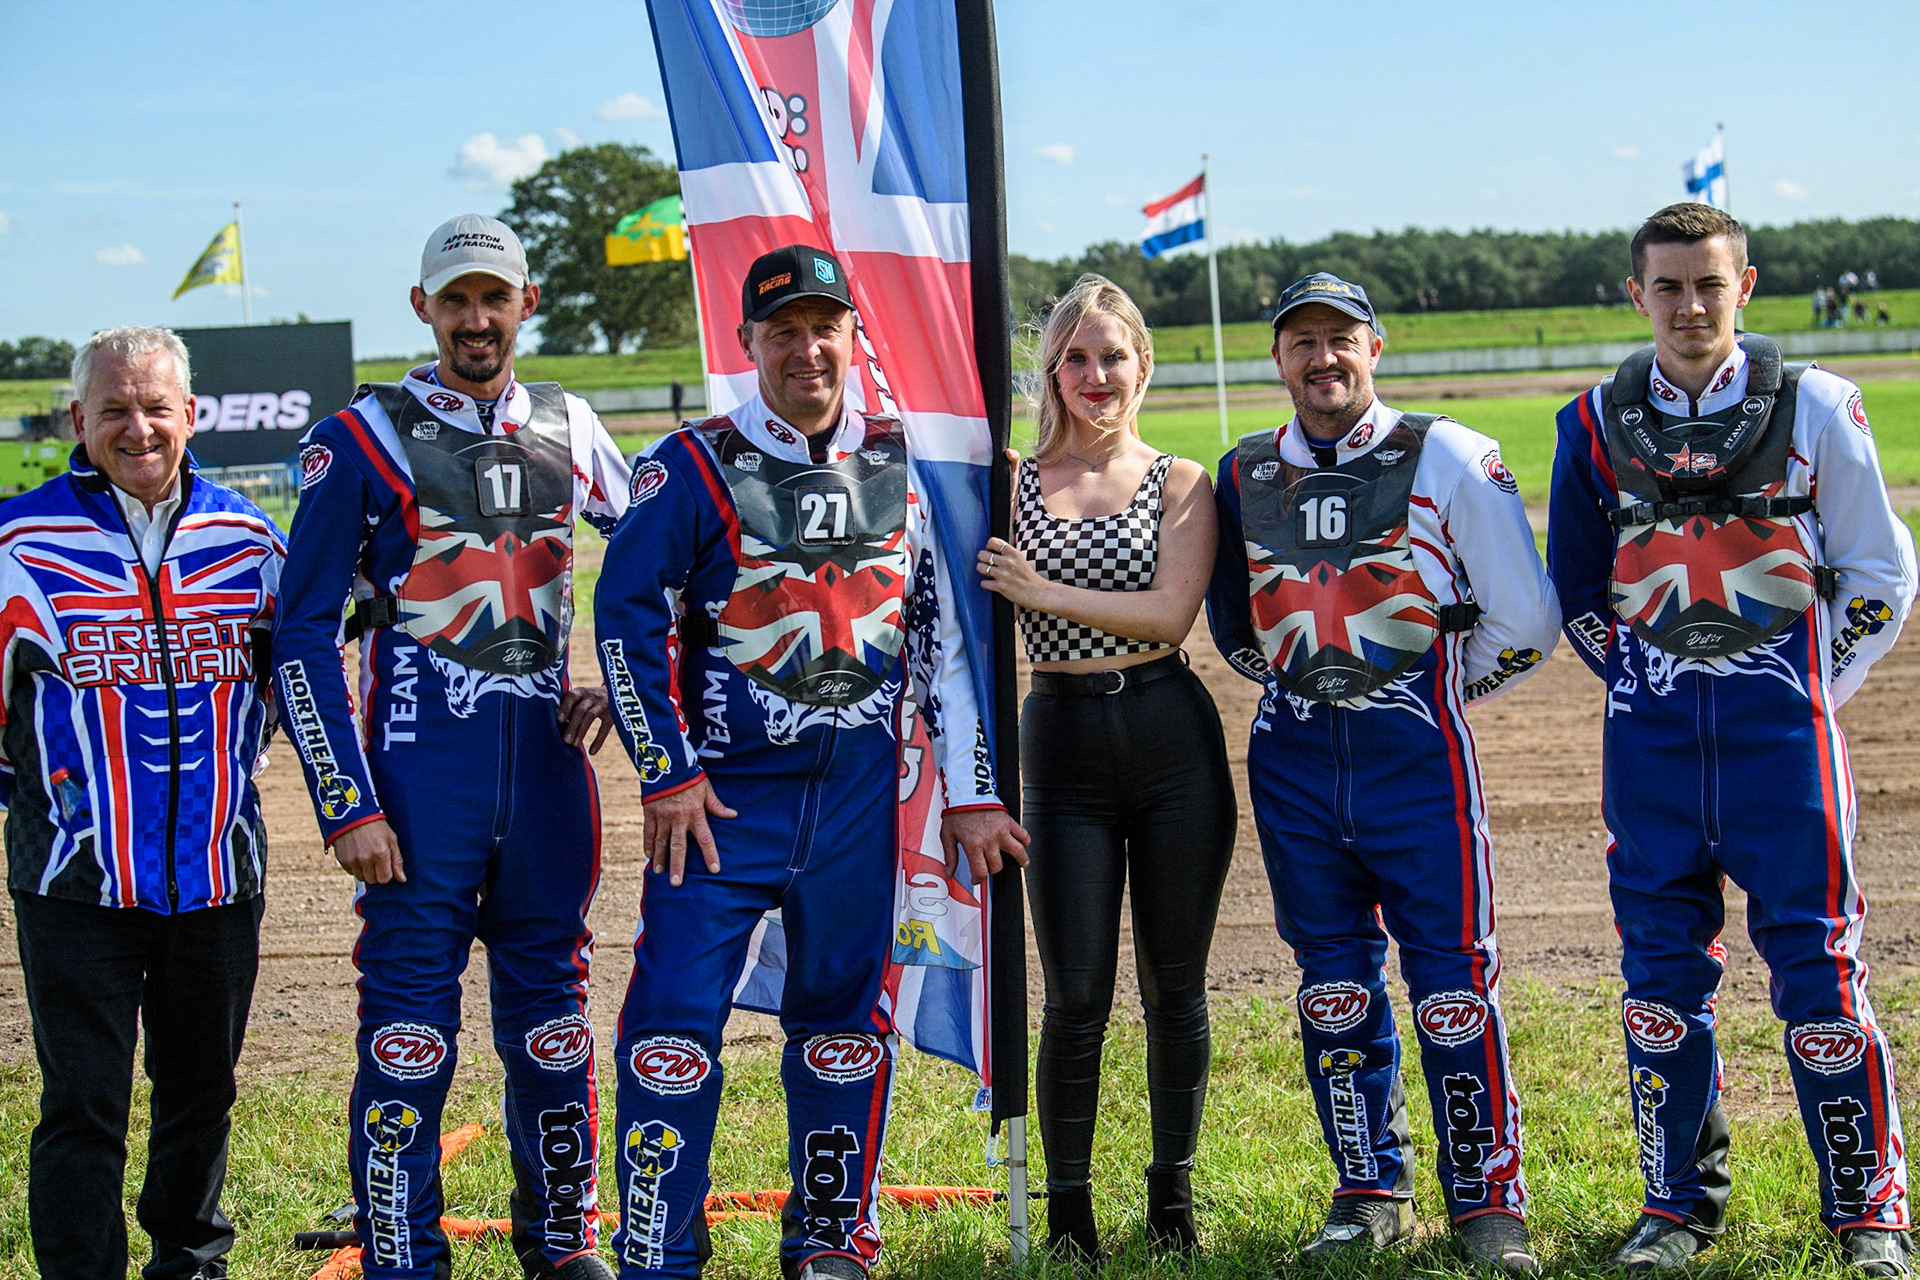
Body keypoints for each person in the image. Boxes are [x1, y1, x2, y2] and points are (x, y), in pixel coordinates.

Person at [593, 243, 1028, 1280]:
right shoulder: (690, 463)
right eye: (781, 329)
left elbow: (946, 636)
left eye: (822, 325)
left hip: (856, 801)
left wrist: (972, 790)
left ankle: (830, 1240)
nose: (805, 348)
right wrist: (666, 770)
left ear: (851, 335)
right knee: (669, 1018)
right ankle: (658, 1246)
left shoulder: (900, 460)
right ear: (747, 343)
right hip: (721, 804)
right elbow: (620, 618)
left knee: (842, 1020)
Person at [1548, 203, 1914, 1276]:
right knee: (1658, 977)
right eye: (1667, 286)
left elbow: (1883, 578)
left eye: (1709, 284)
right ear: (1636, 295)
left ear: (1744, 286)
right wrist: (1646, 682)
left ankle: (1868, 1210)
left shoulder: (1820, 407)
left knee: (1820, 972)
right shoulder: (1589, 423)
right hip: (1649, 752)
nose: (1690, 305)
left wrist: (1804, 686)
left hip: (1786, 748)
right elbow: (1575, 589)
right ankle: (1675, 1205)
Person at [272, 214, 631, 1280]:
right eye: (455, 299)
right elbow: (299, 629)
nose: (476, 319)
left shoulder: (572, 422)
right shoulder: (362, 436)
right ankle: (403, 1254)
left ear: (526, 303)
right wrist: (346, 800)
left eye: (495, 296)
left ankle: (563, 1242)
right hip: (417, 785)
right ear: (422, 308)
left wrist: (623, 682)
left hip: (548, 780)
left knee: (554, 1023)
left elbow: (677, 558)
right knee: (408, 1034)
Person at [1206, 272, 1560, 1275]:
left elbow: (1526, 620)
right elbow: (1235, 627)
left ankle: (1489, 1201)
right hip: (1293, 764)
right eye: (1301, 341)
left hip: (1419, 759)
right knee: (1331, 983)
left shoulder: (1447, 452)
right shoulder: (1241, 471)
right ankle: (1368, 1188)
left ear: (1377, 344)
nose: (1322, 358)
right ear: (1279, 358)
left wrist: (1429, 691)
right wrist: (1317, 691)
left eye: (1340, 338)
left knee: (1454, 982)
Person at [1, 325, 284, 1280]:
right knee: (82, 1102)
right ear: (79, 418)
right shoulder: (17, 544)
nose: (137, 427)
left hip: (216, 878)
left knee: (201, 1093)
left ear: (190, 415)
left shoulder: (253, 544)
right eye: (114, 409)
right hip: (72, 885)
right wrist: (54, 806)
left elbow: (300, 696)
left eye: (155, 406)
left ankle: (189, 1264)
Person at [973, 274, 1234, 1261]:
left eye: (1113, 355)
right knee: (1074, 992)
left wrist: (1039, 587)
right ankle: (1071, 1211)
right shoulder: (1009, 482)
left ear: (1143, 365)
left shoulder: (1181, 480)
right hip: (1062, 744)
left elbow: (1171, 615)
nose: (1095, 374)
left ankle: (1173, 1199)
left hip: (1172, 737)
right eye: (1075, 357)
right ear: (1050, 369)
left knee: (1177, 983)